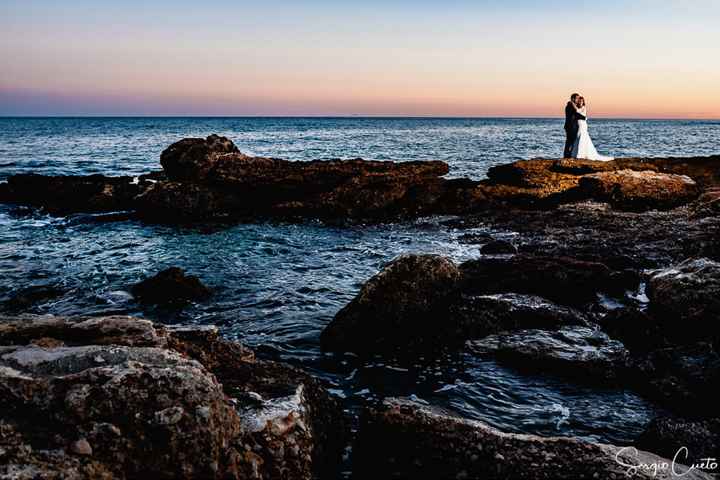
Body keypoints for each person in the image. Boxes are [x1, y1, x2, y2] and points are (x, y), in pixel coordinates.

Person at [569, 96, 613, 161]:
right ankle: (577, 153)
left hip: (583, 124)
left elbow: (578, 111)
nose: (580, 102)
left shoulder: (584, 108)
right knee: (578, 136)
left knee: (582, 136)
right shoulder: (578, 107)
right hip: (579, 124)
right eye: (579, 101)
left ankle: (580, 154)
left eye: (582, 101)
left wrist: (572, 103)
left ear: (583, 102)